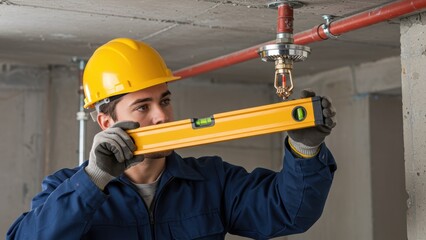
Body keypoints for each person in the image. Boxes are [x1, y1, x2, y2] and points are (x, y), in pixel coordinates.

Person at [7, 38, 337, 239]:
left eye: (164, 100)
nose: (162, 116)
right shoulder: (68, 190)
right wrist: (94, 179)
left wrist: (305, 148)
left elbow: (288, 213)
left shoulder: (211, 181)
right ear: (107, 122)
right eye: (142, 107)